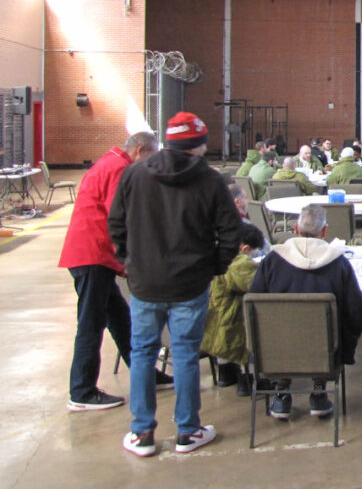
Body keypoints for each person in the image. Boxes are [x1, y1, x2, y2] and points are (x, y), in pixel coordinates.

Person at [109, 112, 242, 457]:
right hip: (190, 284)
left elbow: (116, 225)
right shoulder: (210, 180)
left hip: (145, 283)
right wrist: (214, 266)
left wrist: (131, 263)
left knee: (143, 353)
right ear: (198, 145)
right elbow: (232, 231)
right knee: (185, 354)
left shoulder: (134, 174)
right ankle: (188, 430)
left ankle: (142, 433)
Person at [60, 131, 164, 412]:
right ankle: (82, 391)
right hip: (92, 255)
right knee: (91, 324)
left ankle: (146, 373)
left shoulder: (110, 162)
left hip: (93, 255)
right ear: (140, 150)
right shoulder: (119, 169)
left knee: (120, 319)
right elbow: (121, 218)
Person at [249, 204, 362, 420]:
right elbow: (356, 310)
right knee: (335, 327)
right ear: (324, 231)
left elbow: (253, 306)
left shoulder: (272, 261)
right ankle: (319, 390)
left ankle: (281, 392)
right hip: (325, 348)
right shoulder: (338, 263)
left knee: (277, 330)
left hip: (277, 348)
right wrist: (349, 343)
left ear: (295, 229)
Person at [200, 226, 263, 396]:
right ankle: (246, 379)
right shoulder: (238, 264)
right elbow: (258, 287)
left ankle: (225, 374)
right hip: (228, 329)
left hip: (207, 323)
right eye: (253, 253)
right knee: (253, 318)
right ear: (244, 248)